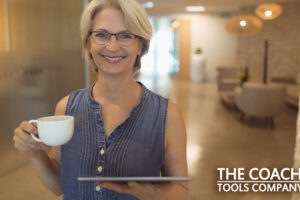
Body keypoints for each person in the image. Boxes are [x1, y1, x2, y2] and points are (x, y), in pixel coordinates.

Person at [13, 0, 188, 199]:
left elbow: (180, 188)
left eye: (126, 35)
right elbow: (58, 185)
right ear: (88, 43)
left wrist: (154, 195)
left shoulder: (168, 116)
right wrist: (35, 153)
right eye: (101, 35)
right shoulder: (66, 108)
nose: (112, 46)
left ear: (141, 45)